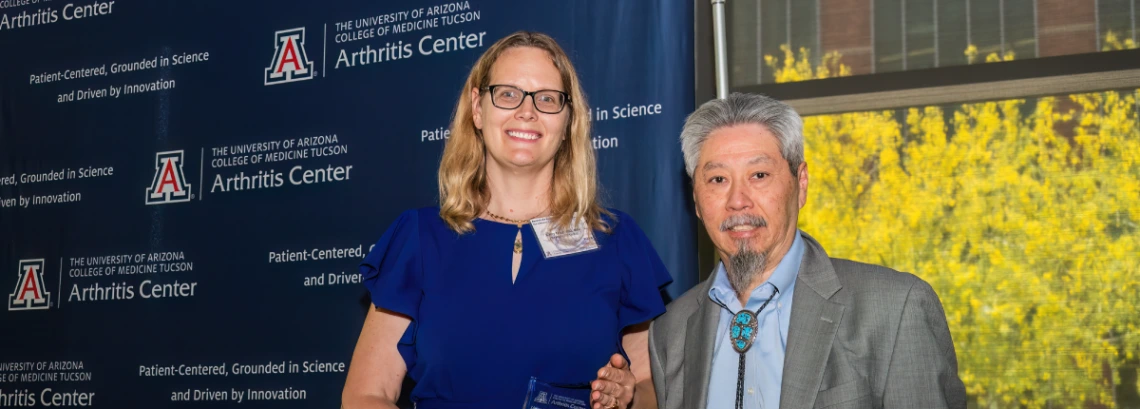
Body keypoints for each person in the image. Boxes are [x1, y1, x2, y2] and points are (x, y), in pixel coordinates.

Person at [341, 31, 673, 409]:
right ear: (478, 109)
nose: (526, 111)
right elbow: (366, 395)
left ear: (568, 121)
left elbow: (649, 389)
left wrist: (628, 396)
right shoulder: (418, 237)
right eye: (508, 93)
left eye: (547, 98)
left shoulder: (616, 240)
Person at [648, 93, 967, 409]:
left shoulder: (894, 308)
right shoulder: (672, 331)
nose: (737, 200)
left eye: (759, 175)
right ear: (697, 201)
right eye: (717, 179)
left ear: (800, 184)